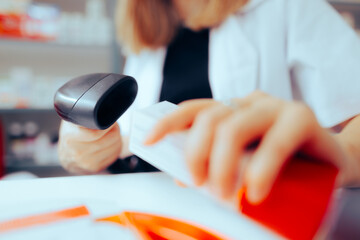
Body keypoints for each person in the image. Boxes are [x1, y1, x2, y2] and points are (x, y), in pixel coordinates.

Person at [58, 0, 360, 204]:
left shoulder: (288, 7)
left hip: (237, 215)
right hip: (145, 211)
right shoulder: (150, 24)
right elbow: (128, 136)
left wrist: (340, 155)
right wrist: (85, 150)